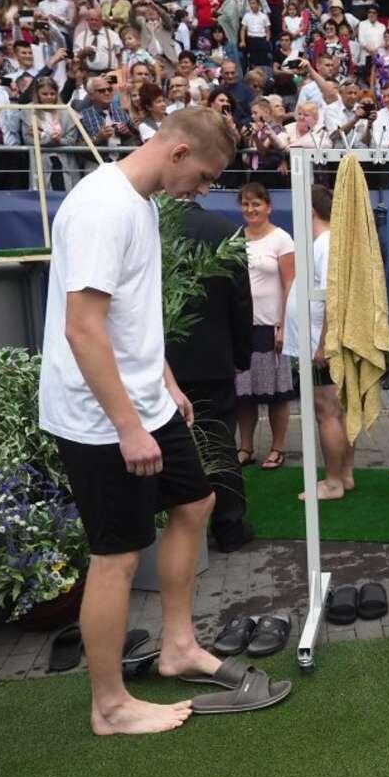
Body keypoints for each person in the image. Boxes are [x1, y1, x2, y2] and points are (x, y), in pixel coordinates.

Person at [38, 107, 288, 736]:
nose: (203, 191)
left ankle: (178, 647)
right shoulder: (104, 207)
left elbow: (130, 315)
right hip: (99, 416)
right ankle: (109, 706)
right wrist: (128, 426)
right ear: (177, 153)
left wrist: (165, 380)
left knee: (196, 503)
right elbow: (82, 328)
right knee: (117, 555)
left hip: (145, 397)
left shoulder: (143, 205)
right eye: (203, 177)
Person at [165, 196, 255, 552]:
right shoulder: (224, 229)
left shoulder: (151, 227)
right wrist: (241, 354)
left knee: (166, 443)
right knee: (218, 440)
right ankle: (229, 527)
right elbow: (241, 299)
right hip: (212, 358)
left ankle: (175, 530)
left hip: (161, 359)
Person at [282, 183, 355, 501]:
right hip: (317, 341)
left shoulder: (326, 243)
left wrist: (324, 343)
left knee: (328, 411)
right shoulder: (323, 243)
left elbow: (332, 297)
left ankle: (334, 482)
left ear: (310, 211)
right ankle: (345, 475)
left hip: (319, 344)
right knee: (337, 411)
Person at [234, 182, 295, 471]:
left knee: (276, 394)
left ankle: (277, 448)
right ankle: (246, 447)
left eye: (256, 204)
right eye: (245, 204)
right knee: (243, 394)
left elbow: (290, 283)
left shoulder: (281, 239)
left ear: (268, 207)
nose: (250, 209)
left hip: (272, 327)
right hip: (243, 329)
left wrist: (284, 325)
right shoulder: (235, 239)